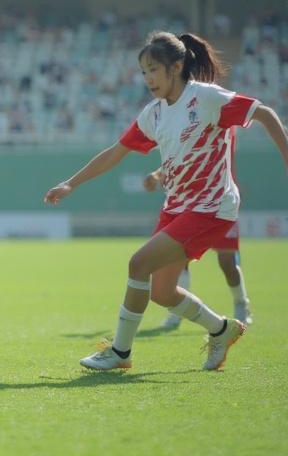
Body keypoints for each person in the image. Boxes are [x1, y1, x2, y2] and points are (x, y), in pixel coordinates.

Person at [45, 31, 288, 372]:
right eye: (143, 72)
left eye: (153, 70)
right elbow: (115, 153)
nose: (147, 79)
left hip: (211, 206)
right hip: (177, 207)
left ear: (176, 66)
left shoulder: (205, 98)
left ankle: (120, 353)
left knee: (138, 264)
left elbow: (263, 113)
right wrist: (71, 183)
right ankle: (222, 328)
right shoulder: (154, 113)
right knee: (162, 292)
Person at [144, 128, 252, 330]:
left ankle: (241, 304)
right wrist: (158, 174)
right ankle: (176, 313)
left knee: (226, 262)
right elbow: (181, 155)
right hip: (188, 203)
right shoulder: (191, 116)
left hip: (220, 202)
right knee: (176, 259)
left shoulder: (219, 118)